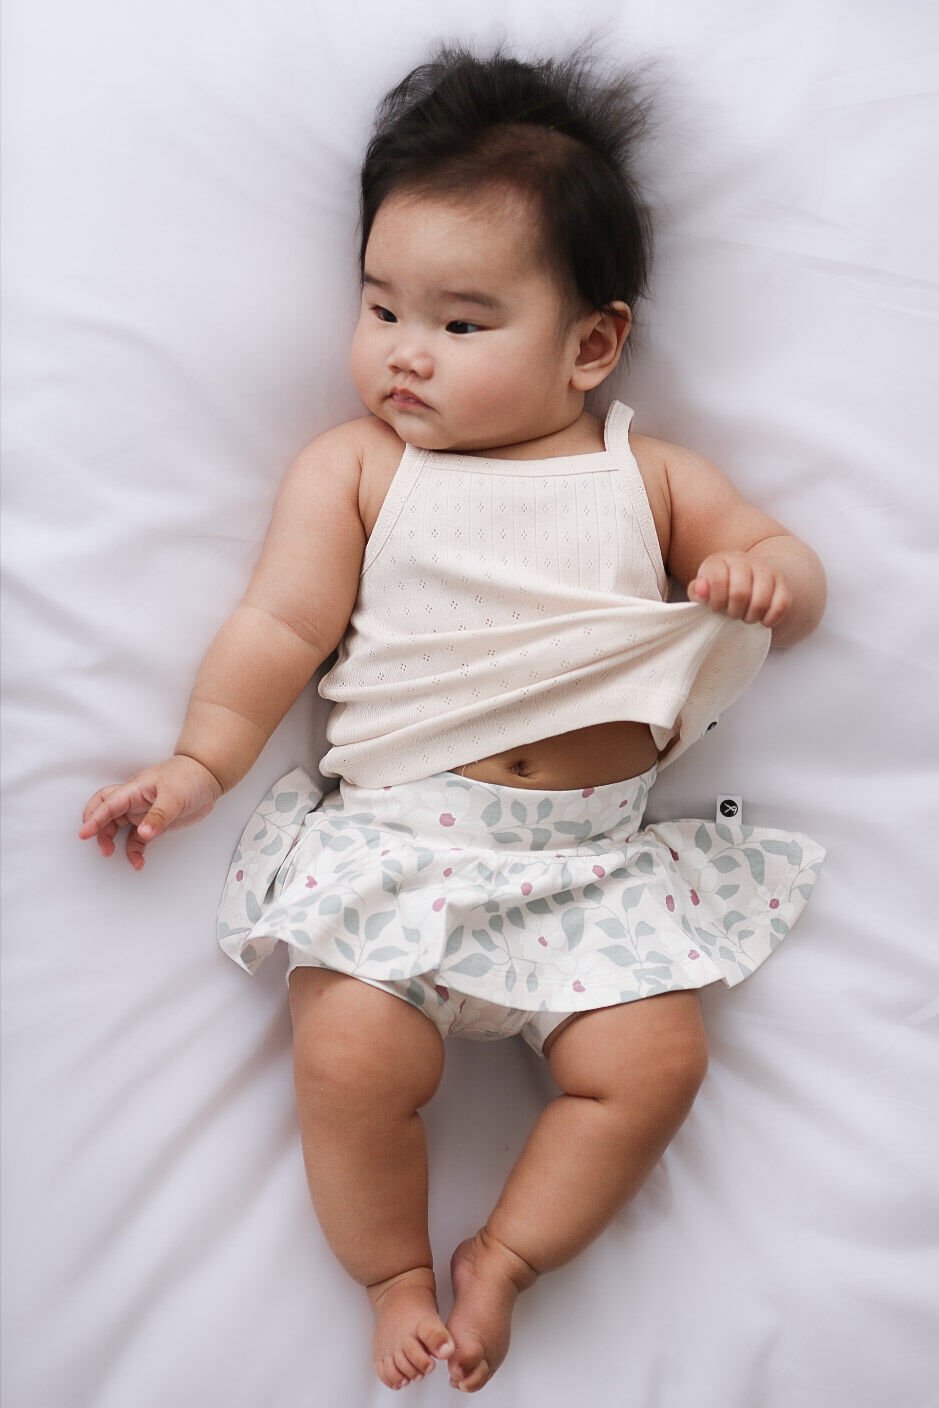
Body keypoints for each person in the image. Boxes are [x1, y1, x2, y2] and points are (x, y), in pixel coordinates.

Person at [79, 46, 827, 1395]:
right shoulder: (363, 468)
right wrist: (201, 761)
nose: (402, 354)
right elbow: (276, 632)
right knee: (350, 1052)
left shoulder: (644, 475)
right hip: (400, 857)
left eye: (462, 324)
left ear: (591, 344)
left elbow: (788, 569)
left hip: (590, 870)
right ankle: (393, 1272)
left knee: (655, 1063)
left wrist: (767, 579)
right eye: (380, 307)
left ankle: (513, 1256)